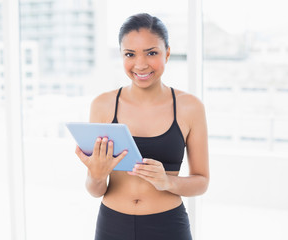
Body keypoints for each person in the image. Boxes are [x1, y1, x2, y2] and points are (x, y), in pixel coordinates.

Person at [75, 13, 209, 240]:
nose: (140, 64)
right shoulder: (103, 105)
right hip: (112, 225)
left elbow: (201, 182)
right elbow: (95, 190)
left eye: (151, 53)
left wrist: (167, 181)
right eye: (130, 54)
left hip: (167, 226)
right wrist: (96, 176)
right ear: (121, 55)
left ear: (167, 52)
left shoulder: (190, 107)